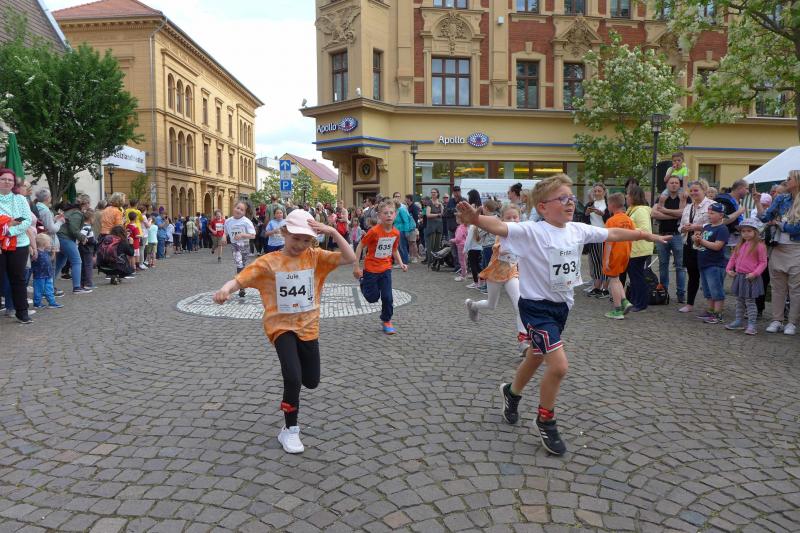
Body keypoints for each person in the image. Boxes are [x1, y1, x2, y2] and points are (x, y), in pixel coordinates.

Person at [457, 174, 670, 456]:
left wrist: (644, 235)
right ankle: (545, 419)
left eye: (571, 198)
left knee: (536, 356)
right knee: (558, 366)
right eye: (562, 198)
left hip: (562, 308)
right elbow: (500, 226)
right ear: (543, 207)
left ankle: (511, 392)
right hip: (536, 308)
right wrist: (476, 219)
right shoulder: (532, 231)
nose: (570, 203)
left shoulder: (577, 230)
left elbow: (612, 234)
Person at [212, 210, 355, 453]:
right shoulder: (269, 262)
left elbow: (349, 257)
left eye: (306, 240)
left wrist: (332, 231)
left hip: (308, 327)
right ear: (284, 232)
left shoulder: (316, 257)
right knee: (293, 377)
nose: (300, 244)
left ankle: (289, 425)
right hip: (280, 327)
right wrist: (225, 290)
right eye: (296, 238)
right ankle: (290, 429)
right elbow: (240, 279)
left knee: (311, 381)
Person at [465, 204, 527, 353]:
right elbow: (501, 249)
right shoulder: (501, 233)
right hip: (495, 274)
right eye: (508, 218)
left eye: (515, 217)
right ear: (502, 220)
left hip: (511, 274)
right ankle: (473, 306)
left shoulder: (523, 232)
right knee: (491, 305)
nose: (512, 220)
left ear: (519, 218)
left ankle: (523, 340)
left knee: (520, 305)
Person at [353, 200, 407, 335]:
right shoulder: (374, 231)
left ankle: (386, 320)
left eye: (391, 213)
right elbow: (360, 246)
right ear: (379, 216)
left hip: (386, 269)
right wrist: (356, 266)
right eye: (385, 213)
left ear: (395, 215)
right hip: (371, 270)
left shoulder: (396, 233)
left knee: (388, 297)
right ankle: (362, 281)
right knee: (372, 298)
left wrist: (401, 263)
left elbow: (394, 250)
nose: (388, 215)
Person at [757, 169, 800, 335]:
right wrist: (757, 202)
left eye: (790, 178)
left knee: (795, 289)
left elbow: (796, 229)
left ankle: (792, 322)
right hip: (778, 248)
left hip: (796, 249)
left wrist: (780, 224)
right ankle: (777, 320)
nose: (786, 180)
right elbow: (765, 218)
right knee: (777, 288)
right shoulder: (781, 199)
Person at [0, 169, 34, 323]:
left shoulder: (20, 199)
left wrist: (9, 230)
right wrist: (9, 223)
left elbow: (26, 220)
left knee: (18, 279)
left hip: (19, 244)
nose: (7, 182)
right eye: (3, 179)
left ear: (14, 183)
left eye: (10, 180)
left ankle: (22, 312)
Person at [725, 218, 768, 335]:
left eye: (749, 231)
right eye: (743, 231)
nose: (746, 233)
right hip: (739, 277)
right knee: (739, 300)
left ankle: (752, 324)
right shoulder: (740, 245)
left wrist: (755, 273)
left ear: (755, 232)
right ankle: (738, 321)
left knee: (750, 302)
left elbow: (763, 262)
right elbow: (733, 258)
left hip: (751, 278)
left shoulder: (760, 246)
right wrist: (728, 269)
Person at [678, 180, 714, 313]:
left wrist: (696, 227)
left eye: (696, 190)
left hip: (705, 245)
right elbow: (680, 226)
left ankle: (713, 307)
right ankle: (689, 304)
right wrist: (683, 228)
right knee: (692, 275)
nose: (693, 193)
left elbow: (717, 224)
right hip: (689, 243)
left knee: (707, 275)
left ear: (704, 190)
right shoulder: (688, 207)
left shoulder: (712, 205)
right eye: (691, 190)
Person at [652, 175, 687, 302]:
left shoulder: (683, 197)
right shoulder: (661, 197)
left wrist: (664, 211)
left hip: (677, 235)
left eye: (676, 183)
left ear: (679, 185)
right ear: (667, 184)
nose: (674, 185)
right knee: (663, 265)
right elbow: (654, 213)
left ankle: (681, 294)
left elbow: (683, 213)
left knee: (680, 266)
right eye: (671, 182)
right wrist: (674, 215)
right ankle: (664, 293)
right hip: (662, 235)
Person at [693, 202, 730, 323]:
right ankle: (710, 310)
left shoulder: (722, 229)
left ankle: (718, 314)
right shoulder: (707, 227)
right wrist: (696, 239)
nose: (709, 215)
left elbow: (717, 246)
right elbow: (699, 245)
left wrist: (701, 241)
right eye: (708, 213)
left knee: (716, 290)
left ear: (721, 215)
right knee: (707, 290)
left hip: (715, 264)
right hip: (704, 263)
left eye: (712, 213)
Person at [603, 193, 635, 319]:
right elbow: (633, 236)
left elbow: (609, 242)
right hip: (625, 253)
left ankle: (617, 310)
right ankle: (625, 301)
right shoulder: (628, 219)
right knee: (617, 279)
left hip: (614, 253)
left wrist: (606, 259)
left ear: (611, 205)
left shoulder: (611, 221)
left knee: (613, 280)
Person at [625, 185, 654, 312]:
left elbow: (645, 229)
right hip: (634, 249)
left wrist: (626, 229)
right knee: (634, 276)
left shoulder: (640, 210)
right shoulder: (632, 210)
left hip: (639, 249)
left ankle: (641, 303)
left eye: (628, 194)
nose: (626, 196)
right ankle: (635, 300)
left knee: (637, 277)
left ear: (633, 196)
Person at [55, 194, 92, 294]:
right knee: (76, 261)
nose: (89, 205)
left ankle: (48, 287)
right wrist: (82, 237)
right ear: (86, 203)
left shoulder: (71, 210)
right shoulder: (77, 213)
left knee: (59, 263)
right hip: (65, 238)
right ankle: (77, 287)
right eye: (89, 203)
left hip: (61, 237)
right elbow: (74, 229)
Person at [32, 188, 65, 297]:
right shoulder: (45, 210)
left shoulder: (37, 207)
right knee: (50, 268)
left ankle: (44, 290)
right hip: (47, 242)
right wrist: (59, 222)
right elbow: (51, 229)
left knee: (43, 268)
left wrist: (54, 219)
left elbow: (44, 224)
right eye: (50, 196)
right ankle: (49, 291)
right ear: (47, 198)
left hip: (40, 240)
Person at [224, 201, 257, 298]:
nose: (239, 210)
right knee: (239, 264)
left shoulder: (246, 221)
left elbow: (253, 235)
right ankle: (241, 286)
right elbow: (225, 232)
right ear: (234, 207)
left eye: (242, 210)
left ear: (244, 212)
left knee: (242, 265)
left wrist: (242, 235)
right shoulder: (228, 221)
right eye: (237, 208)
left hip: (245, 246)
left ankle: (242, 282)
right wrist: (224, 237)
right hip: (235, 246)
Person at [583, 184, 610, 297]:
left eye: (599, 191)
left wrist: (602, 214)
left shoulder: (608, 204)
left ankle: (605, 288)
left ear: (604, 192)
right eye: (595, 191)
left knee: (604, 262)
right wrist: (586, 213)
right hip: (593, 236)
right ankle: (597, 287)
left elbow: (611, 219)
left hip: (605, 236)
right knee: (595, 262)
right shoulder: (590, 204)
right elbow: (584, 220)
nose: (597, 193)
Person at [31, 233, 63, 309]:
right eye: (49, 242)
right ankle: (37, 303)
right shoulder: (36, 253)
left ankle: (52, 302)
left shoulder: (45, 252)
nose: (50, 244)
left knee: (49, 289)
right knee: (39, 290)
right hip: (39, 276)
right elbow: (33, 260)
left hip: (48, 275)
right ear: (44, 243)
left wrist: (53, 253)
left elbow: (50, 260)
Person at [423, 188, 444, 264]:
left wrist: (441, 206)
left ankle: (436, 262)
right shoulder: (429, 202)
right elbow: (428, 215)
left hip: (439, 226)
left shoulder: (440, 202)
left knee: (437, 245)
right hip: (431, 226)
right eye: (432, 192)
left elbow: (442, 213)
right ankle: (430, 261)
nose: (433, 193)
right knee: (430, 245)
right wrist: (437, 215)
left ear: (437, 193)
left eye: (434, 192)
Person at [79, 210, 97, 289]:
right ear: (91, 219)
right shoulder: (87, 227)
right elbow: (87, 238)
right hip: (87, 249)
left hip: (82, 249)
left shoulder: (82, 226)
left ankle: (82, 283)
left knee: (83, 265)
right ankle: (88, 283)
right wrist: (94, 241)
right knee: (88, 266)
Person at [450, 213, 468, 282]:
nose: (455, 220)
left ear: (459, 219)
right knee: (465, 260)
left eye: (456, 218)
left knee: (462, 261)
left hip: (460, 245)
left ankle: (463, 276)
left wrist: (452, 240)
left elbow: (458, 239)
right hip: (465, 245)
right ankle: (464, 273)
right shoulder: (465, 227)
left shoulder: (460, 228)